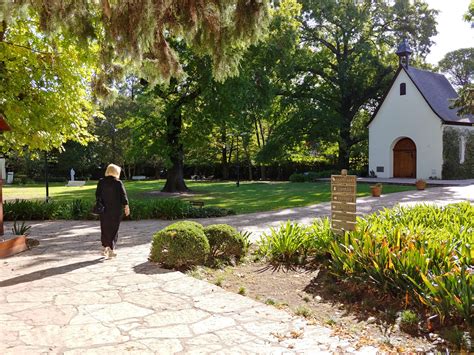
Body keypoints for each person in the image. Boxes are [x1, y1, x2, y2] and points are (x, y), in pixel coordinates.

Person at [95, 164, 130, 259]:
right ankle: (110, 249)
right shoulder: (118, 183)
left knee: (105, 228)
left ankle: (105, 247)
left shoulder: (101, 182)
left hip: (104, 209)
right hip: (116, 210)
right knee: (114, 229)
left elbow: (97, 195)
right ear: (116, 172)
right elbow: (123, 196)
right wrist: (126, 207)